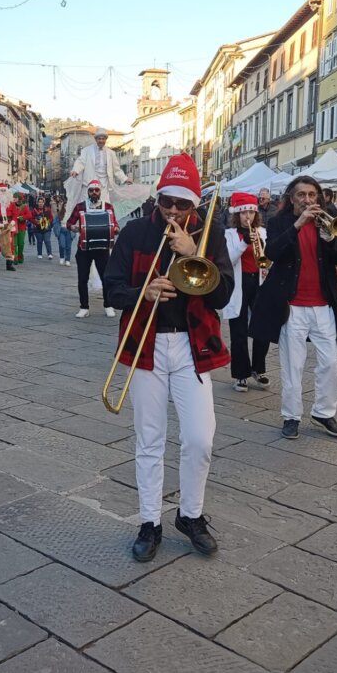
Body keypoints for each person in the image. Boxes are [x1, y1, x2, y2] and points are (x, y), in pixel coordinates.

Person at [104, 153, 233, 562]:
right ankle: (149, 521)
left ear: (195, 204)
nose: (174, 211)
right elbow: (111, 289)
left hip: (192, 346)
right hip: (148, 341)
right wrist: (144, 292)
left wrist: (194, 251)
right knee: (150, 439)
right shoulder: (135, 233)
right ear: (157, 198)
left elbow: (223, 296)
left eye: (183, 204)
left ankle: (190, 515)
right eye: (167, 202)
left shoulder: (210, 235)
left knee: (200, 438)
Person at [251, 175, 337, 440]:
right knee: (293, 365)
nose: (307, 200)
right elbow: (270, 252)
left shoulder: (326, 223)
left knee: (330, 361)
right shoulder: (279, 222)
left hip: (323, 304)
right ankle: (291, 416)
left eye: (311, 195)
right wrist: (297, 225)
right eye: (301, 195)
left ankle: (324, 412)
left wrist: (330, 239)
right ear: (291, 198)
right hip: (292, 305)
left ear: (318, 197)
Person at [223, 192, 270, 392]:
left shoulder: (263, 232)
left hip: (258, 282)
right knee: (239, 331)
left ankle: (258, 368)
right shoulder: (230, 235)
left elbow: (267, 259)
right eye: (244, 213)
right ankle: (241, 374)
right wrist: (244, 244)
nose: (248, 216)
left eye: (251, 212)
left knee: (263, 328)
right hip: (238, 284)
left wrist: (265, 255)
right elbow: (228, 261)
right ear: (237, 215)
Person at [68, 179, 119, 318]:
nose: (94, 193)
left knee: (106, 278)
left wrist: (116, 229)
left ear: (100, 192)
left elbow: (114, 224)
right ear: (88, 192)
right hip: (84, 248)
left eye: (96, 190)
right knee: (82, 279)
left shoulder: (108, 207)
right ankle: (84, 307)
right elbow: (69, 223)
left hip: (102, 248)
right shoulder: (80, 207)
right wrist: (75, 227)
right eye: (91, 190)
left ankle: (108, 305)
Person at [12, 191, 33, 263]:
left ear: (20, 199)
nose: (14, 199)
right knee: (14, 244)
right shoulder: (12, 206)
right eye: (14, 197)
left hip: (21, 228)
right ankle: (15, 257)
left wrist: (22, 217)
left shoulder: (24, 206)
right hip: (13, 227)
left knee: (20, 243)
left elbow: (29, 215)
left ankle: (20, 255)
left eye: (16, 198)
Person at [53, 195, 73, 266]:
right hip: (61, 230)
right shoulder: (59, 214)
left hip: (69, 231)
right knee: (62, 245)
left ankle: (68, 259)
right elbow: (55, 223)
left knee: (68, 246)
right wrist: (57, 231)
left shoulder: (72, 215)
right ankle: (62, 257)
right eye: (65, 206)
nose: (66, 207)